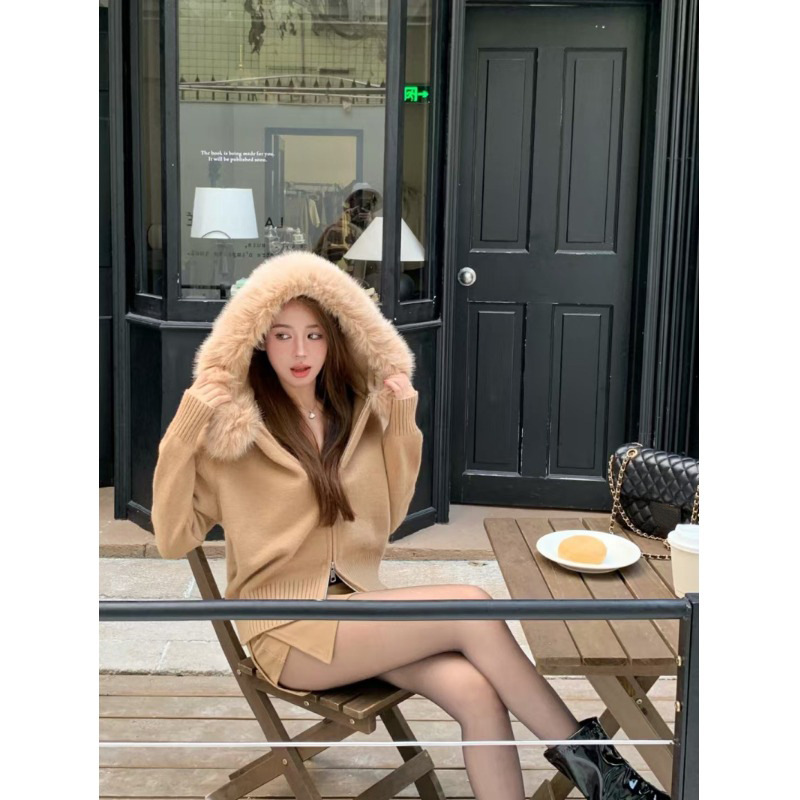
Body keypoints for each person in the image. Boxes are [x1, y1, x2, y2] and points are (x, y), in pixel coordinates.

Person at [151, 251, 668, 800]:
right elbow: (172, 538)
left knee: (476, 692)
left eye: (314, 335)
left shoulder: (354, 415)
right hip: (287, 632)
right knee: (472, 607)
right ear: (258, 340)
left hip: (360, 611)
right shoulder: (233, 437)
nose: (300, 352)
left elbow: (391, 516)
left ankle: (601, 780)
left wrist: (401, 422)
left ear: (335, 338)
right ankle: (609, 781)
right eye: (282, 336)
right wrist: (184, 432)